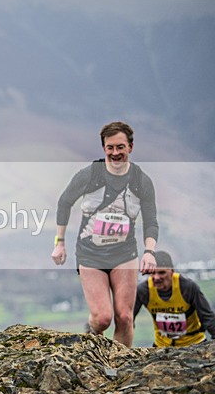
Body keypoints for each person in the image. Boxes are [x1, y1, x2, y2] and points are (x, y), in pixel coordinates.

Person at [51, 121, 158, 347]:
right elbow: (64, 202)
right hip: (91, 254)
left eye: (120, 147)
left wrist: (149, 251)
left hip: (125, 254)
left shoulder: (141, 181)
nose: (115, 153)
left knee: (125, 317)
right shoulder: (90, 175)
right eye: (110, 147)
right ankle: (91, 333)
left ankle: (119, 368)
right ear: (104, 148)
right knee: (102, 318)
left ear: (130, 147)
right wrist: (59, 242)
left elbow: (151, 221)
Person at [134, 251, 215, 347]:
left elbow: (208, 318)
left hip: (194, 344)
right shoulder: (143, 290)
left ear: (172, 271)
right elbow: (128, 318)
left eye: (162, 273)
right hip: (162, 345)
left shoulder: (187, 287)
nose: (156, 278)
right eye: (153, 273)